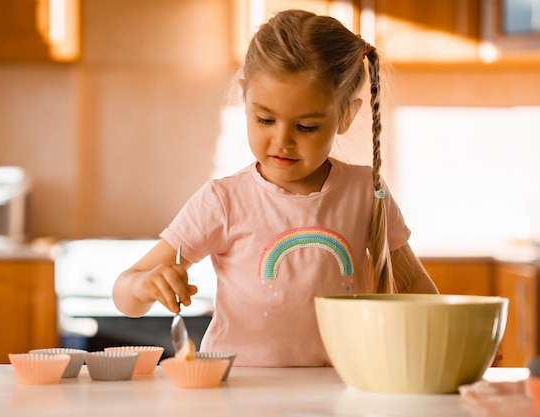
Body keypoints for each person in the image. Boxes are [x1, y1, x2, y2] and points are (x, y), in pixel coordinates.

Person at [112, 9, 438, 367]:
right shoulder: (224, 200)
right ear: (245, 100)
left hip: (340, 387)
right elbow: (126, 295)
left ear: (346, 115)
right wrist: (144, 286)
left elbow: (412, 288)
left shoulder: (365, 192)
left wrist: (453, 339)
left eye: (307, 127)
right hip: (237, 391)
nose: (282, 140)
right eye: (265, 119)